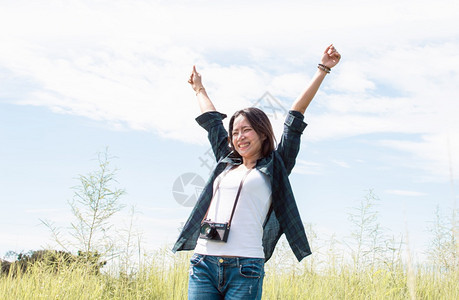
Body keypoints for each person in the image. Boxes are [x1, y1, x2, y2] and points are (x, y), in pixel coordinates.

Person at [173, 44, 341, 300]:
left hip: (245, 267)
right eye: (235, 132)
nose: (239, 137)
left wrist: (323, 69)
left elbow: (295, 116)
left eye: (246, 130)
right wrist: (199, 89)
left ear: (263, 133)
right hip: (204, 263)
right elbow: (212, 122)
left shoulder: (276, 164)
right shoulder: (226, 160)